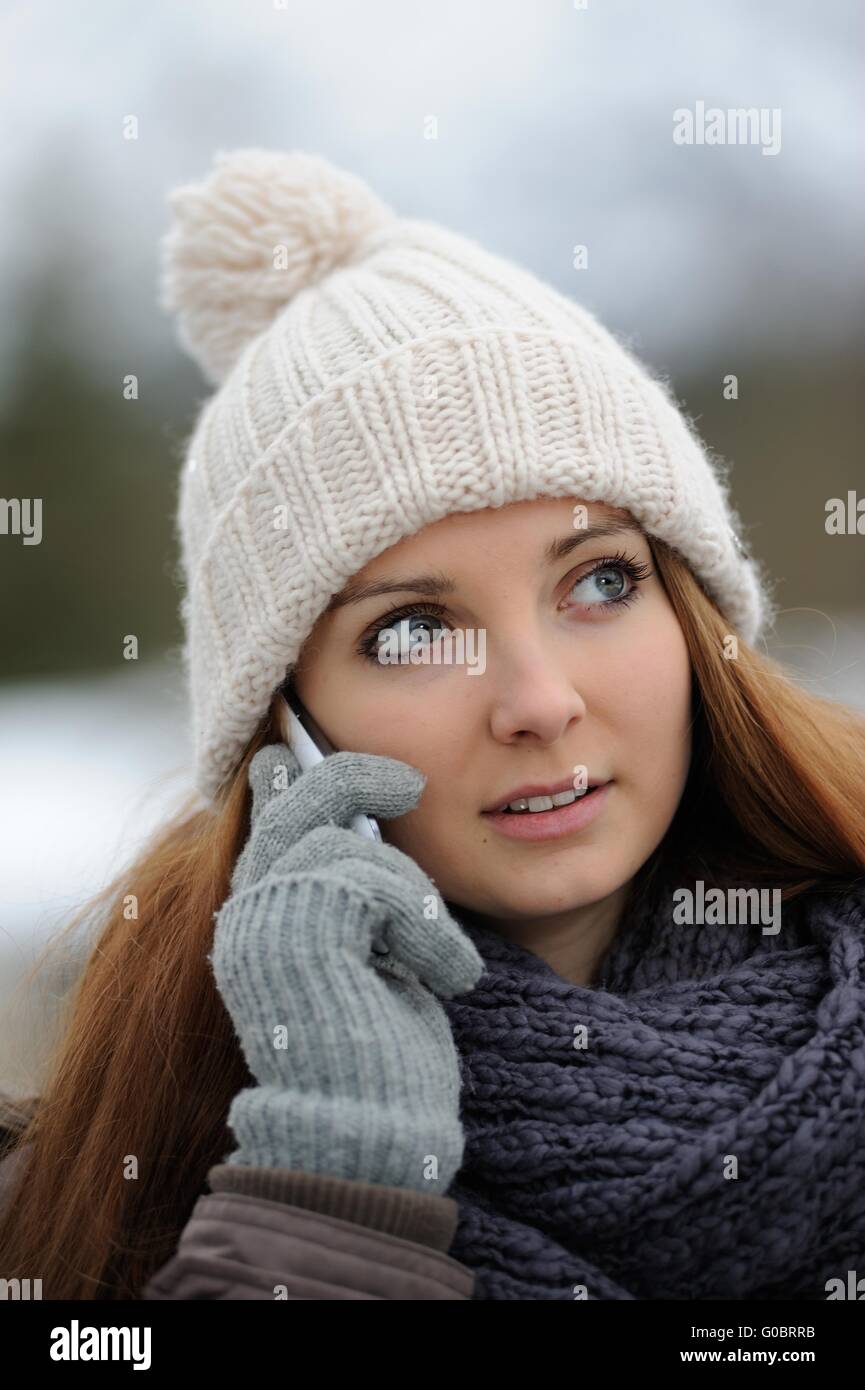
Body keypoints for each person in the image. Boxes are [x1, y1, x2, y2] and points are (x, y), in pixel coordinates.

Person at [1, 149, 863, 1301]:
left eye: (601, 581)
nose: (540, 700)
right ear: (285, 733)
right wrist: (327, 1187)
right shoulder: (83, 1200)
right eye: (411, 632)